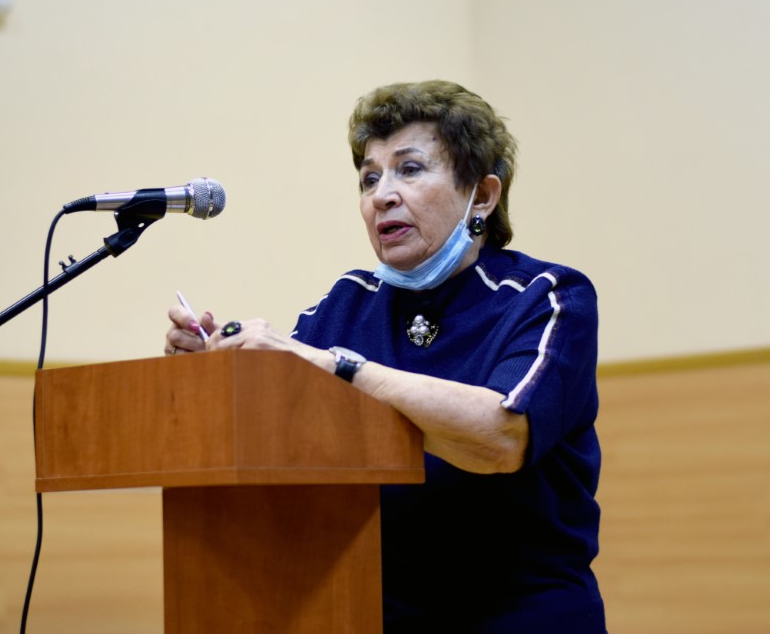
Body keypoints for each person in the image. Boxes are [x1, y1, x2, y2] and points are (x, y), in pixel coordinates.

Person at [165, 80, 605, 633]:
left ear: (483, 196)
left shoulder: (547, 296)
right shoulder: (346, 303)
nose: (381, 196)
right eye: (369, 179)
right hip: (367, 613)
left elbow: (500, 438)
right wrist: (209, 375)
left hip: (522, 616)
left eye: (410, 169)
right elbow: (273, 439)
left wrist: (340, 367)